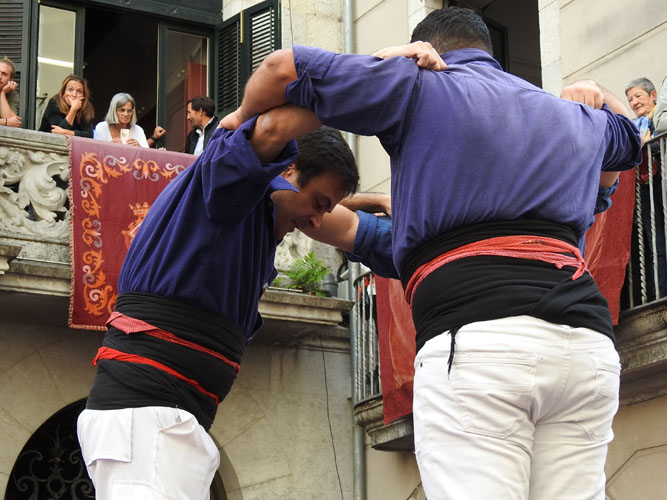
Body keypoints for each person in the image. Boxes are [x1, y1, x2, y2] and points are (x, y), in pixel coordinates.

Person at [221, 6, 643, 499]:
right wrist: (599, 94)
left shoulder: (418, 86)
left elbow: (281, 67)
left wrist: (240, 120)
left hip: (479, 340)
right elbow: (629, 142)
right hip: (584, 348)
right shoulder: (572, 119)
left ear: (426, 52)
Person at [76, 102, 363, 499]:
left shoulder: (259, 219)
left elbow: (349, 226)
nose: (317, 221)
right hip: (146, 420)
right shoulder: (228, 183)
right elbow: (270, 123)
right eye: (318, 203)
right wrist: (377, 84)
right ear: (287, 168)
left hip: (168, 423)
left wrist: (382, 205)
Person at [625, 77, 666, 298]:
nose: (634, 103)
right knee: (655, 244)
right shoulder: (634, 127)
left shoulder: (660, 121)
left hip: (662, 183)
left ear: (653, 96)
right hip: (646, 191)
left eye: (638, 96)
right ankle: (661, 294)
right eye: (630, 99)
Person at [94, 92, 166, 148]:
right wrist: (109, 147)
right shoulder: (102, 127)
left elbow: (146, 156)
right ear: (114, 111)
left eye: (129, 111)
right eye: (122, 110)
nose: (126, 114)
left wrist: (139, 147)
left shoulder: (138, 130)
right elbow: (96, 153)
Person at [0, 56, 21, 128]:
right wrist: (4, 122)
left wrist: (2, 94)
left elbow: (13, 125)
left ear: (11, 79)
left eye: (4, 74)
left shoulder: (12, 94)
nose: (0, 76)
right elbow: (8, 122)